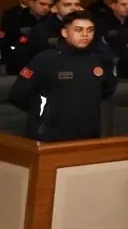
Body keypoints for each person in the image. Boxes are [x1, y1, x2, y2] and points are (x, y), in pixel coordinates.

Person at [10, 11, 116, 142]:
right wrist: (47, 114)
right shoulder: (45, 59)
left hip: (88, 134)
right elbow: (19, 94)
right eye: (78, 30)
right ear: (65, 33)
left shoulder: (99, 60)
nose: (85, 34)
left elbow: (107, 91)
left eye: (90, 30)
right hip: (48, 134)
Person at [3, 0, 51, 74]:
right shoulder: (14, 16)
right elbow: (8, 40)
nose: (46, 8)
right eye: (42, 4)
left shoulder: (51, 20)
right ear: (31, 3)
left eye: (49, 5)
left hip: (44, 67)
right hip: (18, 66)